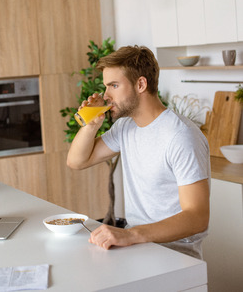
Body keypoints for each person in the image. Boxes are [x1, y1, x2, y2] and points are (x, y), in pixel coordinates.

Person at [67, 45, 210, 259]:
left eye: (114, 85)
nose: (106, 96)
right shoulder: (126, 127)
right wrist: (91, 125)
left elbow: (197, 217)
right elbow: (76, 161)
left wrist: (131, 234)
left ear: (141, 84)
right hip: (137, 246)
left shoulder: (181, 136)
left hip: (175, 254)